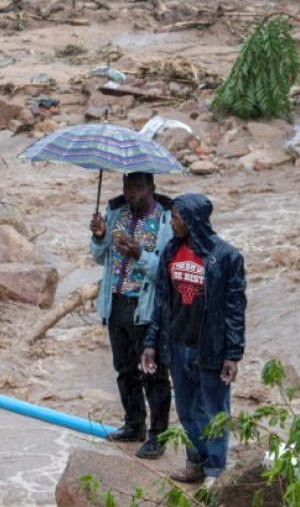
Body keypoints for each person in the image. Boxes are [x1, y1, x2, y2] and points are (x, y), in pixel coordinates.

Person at [141, 192, 246, 486]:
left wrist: (233, 354)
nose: (171, 222)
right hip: (177, 345)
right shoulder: (171, 251)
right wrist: (151, 343)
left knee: (214, 412)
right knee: (187, 411)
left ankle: (215, 471)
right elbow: (162, 302)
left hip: (211, 349)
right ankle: (195, 463)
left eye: (175, 217)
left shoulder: (226, 257)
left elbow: (235, 310)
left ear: (192, 219)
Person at [89, 172, 173, 459]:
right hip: (116, 303)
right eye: (128, 188)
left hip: (146, 309)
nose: (132, 193)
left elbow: (167, 272)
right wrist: (100, 236)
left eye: (139, 188)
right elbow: (99, 257)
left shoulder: (166, 220)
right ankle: (134, 424)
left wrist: (140, 255)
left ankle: (158, 436)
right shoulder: (116, 213)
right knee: (125, 370)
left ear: (152, 188)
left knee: (154, 375)